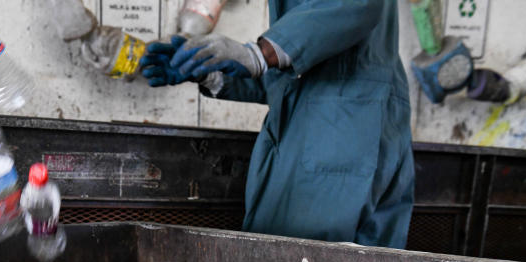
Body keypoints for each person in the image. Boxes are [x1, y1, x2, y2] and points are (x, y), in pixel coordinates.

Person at [141, 0, 414, 248]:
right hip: (329, 131)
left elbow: (359, 6)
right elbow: (292, 76)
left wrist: (261, 54)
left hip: (341, 135)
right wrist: (211, 71)